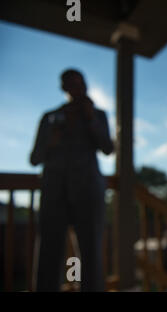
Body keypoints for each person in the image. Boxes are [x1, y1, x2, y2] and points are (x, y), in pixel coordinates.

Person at [30, 69, 114, 291]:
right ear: (64, 88)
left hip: (88, 192)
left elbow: (108, 148)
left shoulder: (98, 115)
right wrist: (51, 141)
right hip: (53, 192)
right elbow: (34, 158)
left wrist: (90, 119)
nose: (78, 89)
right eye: (72, 85)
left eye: (81, 84)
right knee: (48, 252)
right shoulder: (49, 118)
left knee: (91, 253)